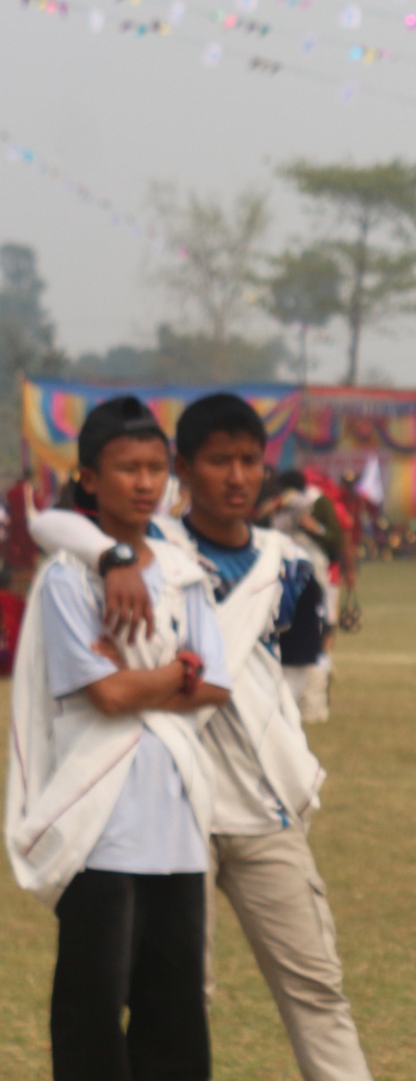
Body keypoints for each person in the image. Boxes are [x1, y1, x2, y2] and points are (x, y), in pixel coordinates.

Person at [32, 394, 375, 1077]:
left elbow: (300, 668)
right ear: (184, 469)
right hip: (175, 814)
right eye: (219, 460)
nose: (238, 476)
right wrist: (113, 557)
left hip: (263, 807)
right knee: (181, 995)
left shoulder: (289, 563)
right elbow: (51, 523)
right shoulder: (149, 545)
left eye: (250, 460)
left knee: (315, 986)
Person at [6, 397, 232, 1081]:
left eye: (155, 468)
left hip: (177, 829)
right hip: (98, 825)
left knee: (174, 1008)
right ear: (89, 478)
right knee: (92, 1003)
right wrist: (174, 671)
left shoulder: (185, 571)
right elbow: (104, 695)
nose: (143, 482)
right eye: (126, 467)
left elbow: (216, 683)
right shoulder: (68, 580)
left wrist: (143, 674)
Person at [267, 471, 354, 722]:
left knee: (318, 636)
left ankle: (315, 703)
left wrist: (310, 526)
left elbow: (335, 540)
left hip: (316, 577)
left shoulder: (319, 503)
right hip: (284, 580)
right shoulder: (278, 506)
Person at [5, 464, 41, 576]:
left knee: (15, 567)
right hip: (28, 537)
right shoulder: (33, 494)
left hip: (14, 536)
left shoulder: (11, 492)